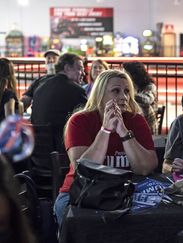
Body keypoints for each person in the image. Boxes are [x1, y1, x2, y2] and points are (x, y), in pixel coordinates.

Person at [54, 69, 158, 225]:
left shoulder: (136, 120)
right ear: (100, 94)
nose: (124, 97)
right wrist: (106, 130)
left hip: (124, 192)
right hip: (80, 192)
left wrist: (123, 131)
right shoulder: (80, 121)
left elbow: (145, 168)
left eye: (127, 91)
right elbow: (83, 168)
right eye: (116, 91)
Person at [31, 53, 87, 152]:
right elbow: (88, 119)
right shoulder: (76, 90)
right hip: (62, 154)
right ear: (67, 68)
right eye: (80, 69)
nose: (83, 73)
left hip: (38, 154)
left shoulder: (40, 87)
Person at [122, 61, 158, 134]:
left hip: (147, 125)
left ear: (134, 75)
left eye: (125, 74)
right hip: (132, 123)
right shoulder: (127, 86)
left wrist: (129, 94)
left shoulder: (150, 86)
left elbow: (147, 99)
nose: (123, 76)